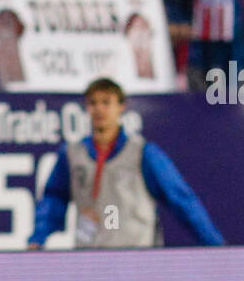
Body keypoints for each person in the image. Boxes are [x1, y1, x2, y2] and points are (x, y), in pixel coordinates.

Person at [28, 78, 224, 248]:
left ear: (121, 106)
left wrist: (214, 244)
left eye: (106, 102)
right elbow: (54, 198)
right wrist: (39, 236)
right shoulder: (73, 154)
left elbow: (181, 199)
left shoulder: (143, 153)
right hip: (89, 254)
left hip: (136, 255)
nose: (99, 110)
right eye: (93, 103)